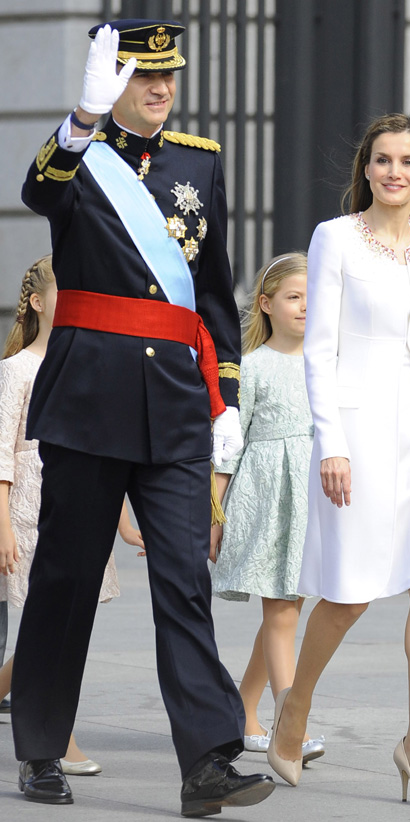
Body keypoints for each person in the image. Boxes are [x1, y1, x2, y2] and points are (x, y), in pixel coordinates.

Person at [13, 20, 274, 815]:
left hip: (174, 407)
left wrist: (224, 395)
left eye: (169, 77)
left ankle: (208, 760)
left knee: (184, 582)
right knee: (65, 577)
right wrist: (84, 120)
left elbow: (217, 287)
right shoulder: (78, 154)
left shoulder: (201, 162)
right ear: (112, 82)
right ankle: (41, 745)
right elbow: (37, 193)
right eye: (143, 77)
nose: (160, 90)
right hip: (89, 398)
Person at [266, 113, 410, 807]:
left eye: (409, 161)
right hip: (358, 430)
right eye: (382, 160)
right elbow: (319, 348)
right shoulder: (335, 239)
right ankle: (294, 709)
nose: (394, 172)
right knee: (348, 595)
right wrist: (333, 443)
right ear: (367, 169)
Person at [0, 256, 146, 775]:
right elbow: (0, 455)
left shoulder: (89, 366)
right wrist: (2, 530)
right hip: (26, 510)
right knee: (53, 620)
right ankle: (58, 738)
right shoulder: (15, 371)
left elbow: (106, 449)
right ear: (39, 303)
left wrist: (123, 522)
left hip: (80, 505)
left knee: (63, 618)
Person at [210, 253, 324, 763]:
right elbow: (230, 444)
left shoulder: (329, 363)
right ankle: (289, 724)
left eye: (311, 297)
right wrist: (215, 509)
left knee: (289, 606)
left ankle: (243, 709)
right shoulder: (251, 367)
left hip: (314, 497)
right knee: (280, 607)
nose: (305, 307)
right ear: (266, 304)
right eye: (293, 297)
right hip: (268, 496)